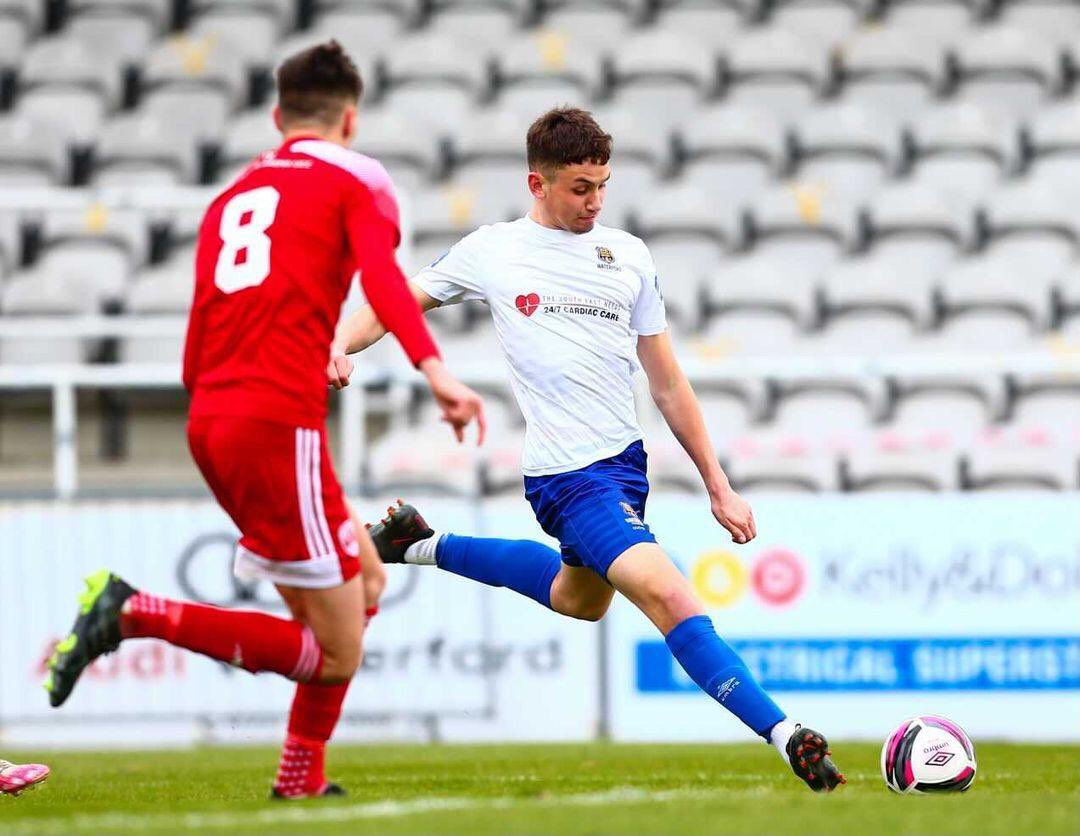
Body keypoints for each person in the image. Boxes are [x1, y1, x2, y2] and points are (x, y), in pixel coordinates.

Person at [331, 107, 844, 792]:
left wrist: (718, 483)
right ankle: (787, 734)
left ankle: (415, 543)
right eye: (580, 187)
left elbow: (667, 383)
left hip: (625, 470)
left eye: (603, 184)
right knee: (668, 594)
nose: (594, 201)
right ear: (536, 183)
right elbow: (396, 299)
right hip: (569, 478)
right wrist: (338, 343)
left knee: (579, 600)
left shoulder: (628, 255)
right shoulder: (493, 249)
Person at [43, 41, 485, 800]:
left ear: (278, 116)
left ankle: (301, 775)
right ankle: (134, 612)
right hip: (277, 426)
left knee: (369, 582)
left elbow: (202, 331)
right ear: (351, 116)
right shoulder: (360, 177)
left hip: (214, 416)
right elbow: (380, 278)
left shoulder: (234, 196)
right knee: (336, 653)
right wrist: (435, 370)